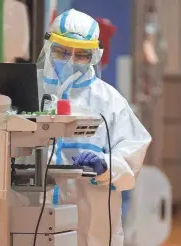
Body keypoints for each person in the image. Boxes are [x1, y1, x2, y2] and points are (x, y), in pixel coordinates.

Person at [36, 9, 152, 245]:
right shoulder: (28, 89)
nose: (70, 61)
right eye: (63, 51)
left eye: (81, 55)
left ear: (94, 56)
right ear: (49, 47)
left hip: (89, 224)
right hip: (32, 217)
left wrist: (106, 165)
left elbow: (132, 158)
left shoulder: (108, 100)